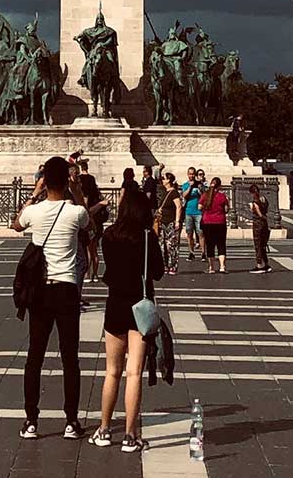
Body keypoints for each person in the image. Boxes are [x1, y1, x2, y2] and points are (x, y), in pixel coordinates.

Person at [12, 156, 91, 441]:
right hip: (67, 288)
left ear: (45, 181)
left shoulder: (35, 212)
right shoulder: (75, 213)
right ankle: (71, 421)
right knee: (70, 358)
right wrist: (78, 189)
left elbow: (15, 225)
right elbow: (87, 220)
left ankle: (31, 420)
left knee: (35, 356)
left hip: (40, 291)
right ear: (67, 180)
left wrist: (34, 193)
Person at [92, 185, 163, 452]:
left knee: (112, 371)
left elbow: (109, 269)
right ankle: (131, 436)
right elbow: (157, 273)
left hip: (115, 304)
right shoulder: (147, 238)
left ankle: (104, 429)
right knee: (134, 373)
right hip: (140, 306)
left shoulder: (109, 235)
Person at [155, 172, 181, 277]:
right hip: (162, 222)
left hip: (171, 222)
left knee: (172, 245)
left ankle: (173, 266)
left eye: (164, 179)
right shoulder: (164, 192)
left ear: (169, 180)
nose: (162, 180)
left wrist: (177, 221)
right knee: (162, 245)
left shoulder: (174, 193)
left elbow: (178, 206)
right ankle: (165, 265)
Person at [200, 177, 229, 273]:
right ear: (219, 186)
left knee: (210, 245)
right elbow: (226, 210)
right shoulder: (222, 196)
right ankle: (222, 267)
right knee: (221, 244)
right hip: (220, 222)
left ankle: (211, 267)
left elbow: (199, 207)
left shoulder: (205, 195)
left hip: (207, 222)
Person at [248, 183, 272, 272]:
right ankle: (266, 263)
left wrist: (252, 208)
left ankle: (259, 265)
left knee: (258, 244)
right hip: (265, 223)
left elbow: (259, 214)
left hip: (258, 224)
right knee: (263, 245)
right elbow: (264, 211)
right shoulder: (264, 199)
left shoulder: (255, 202)